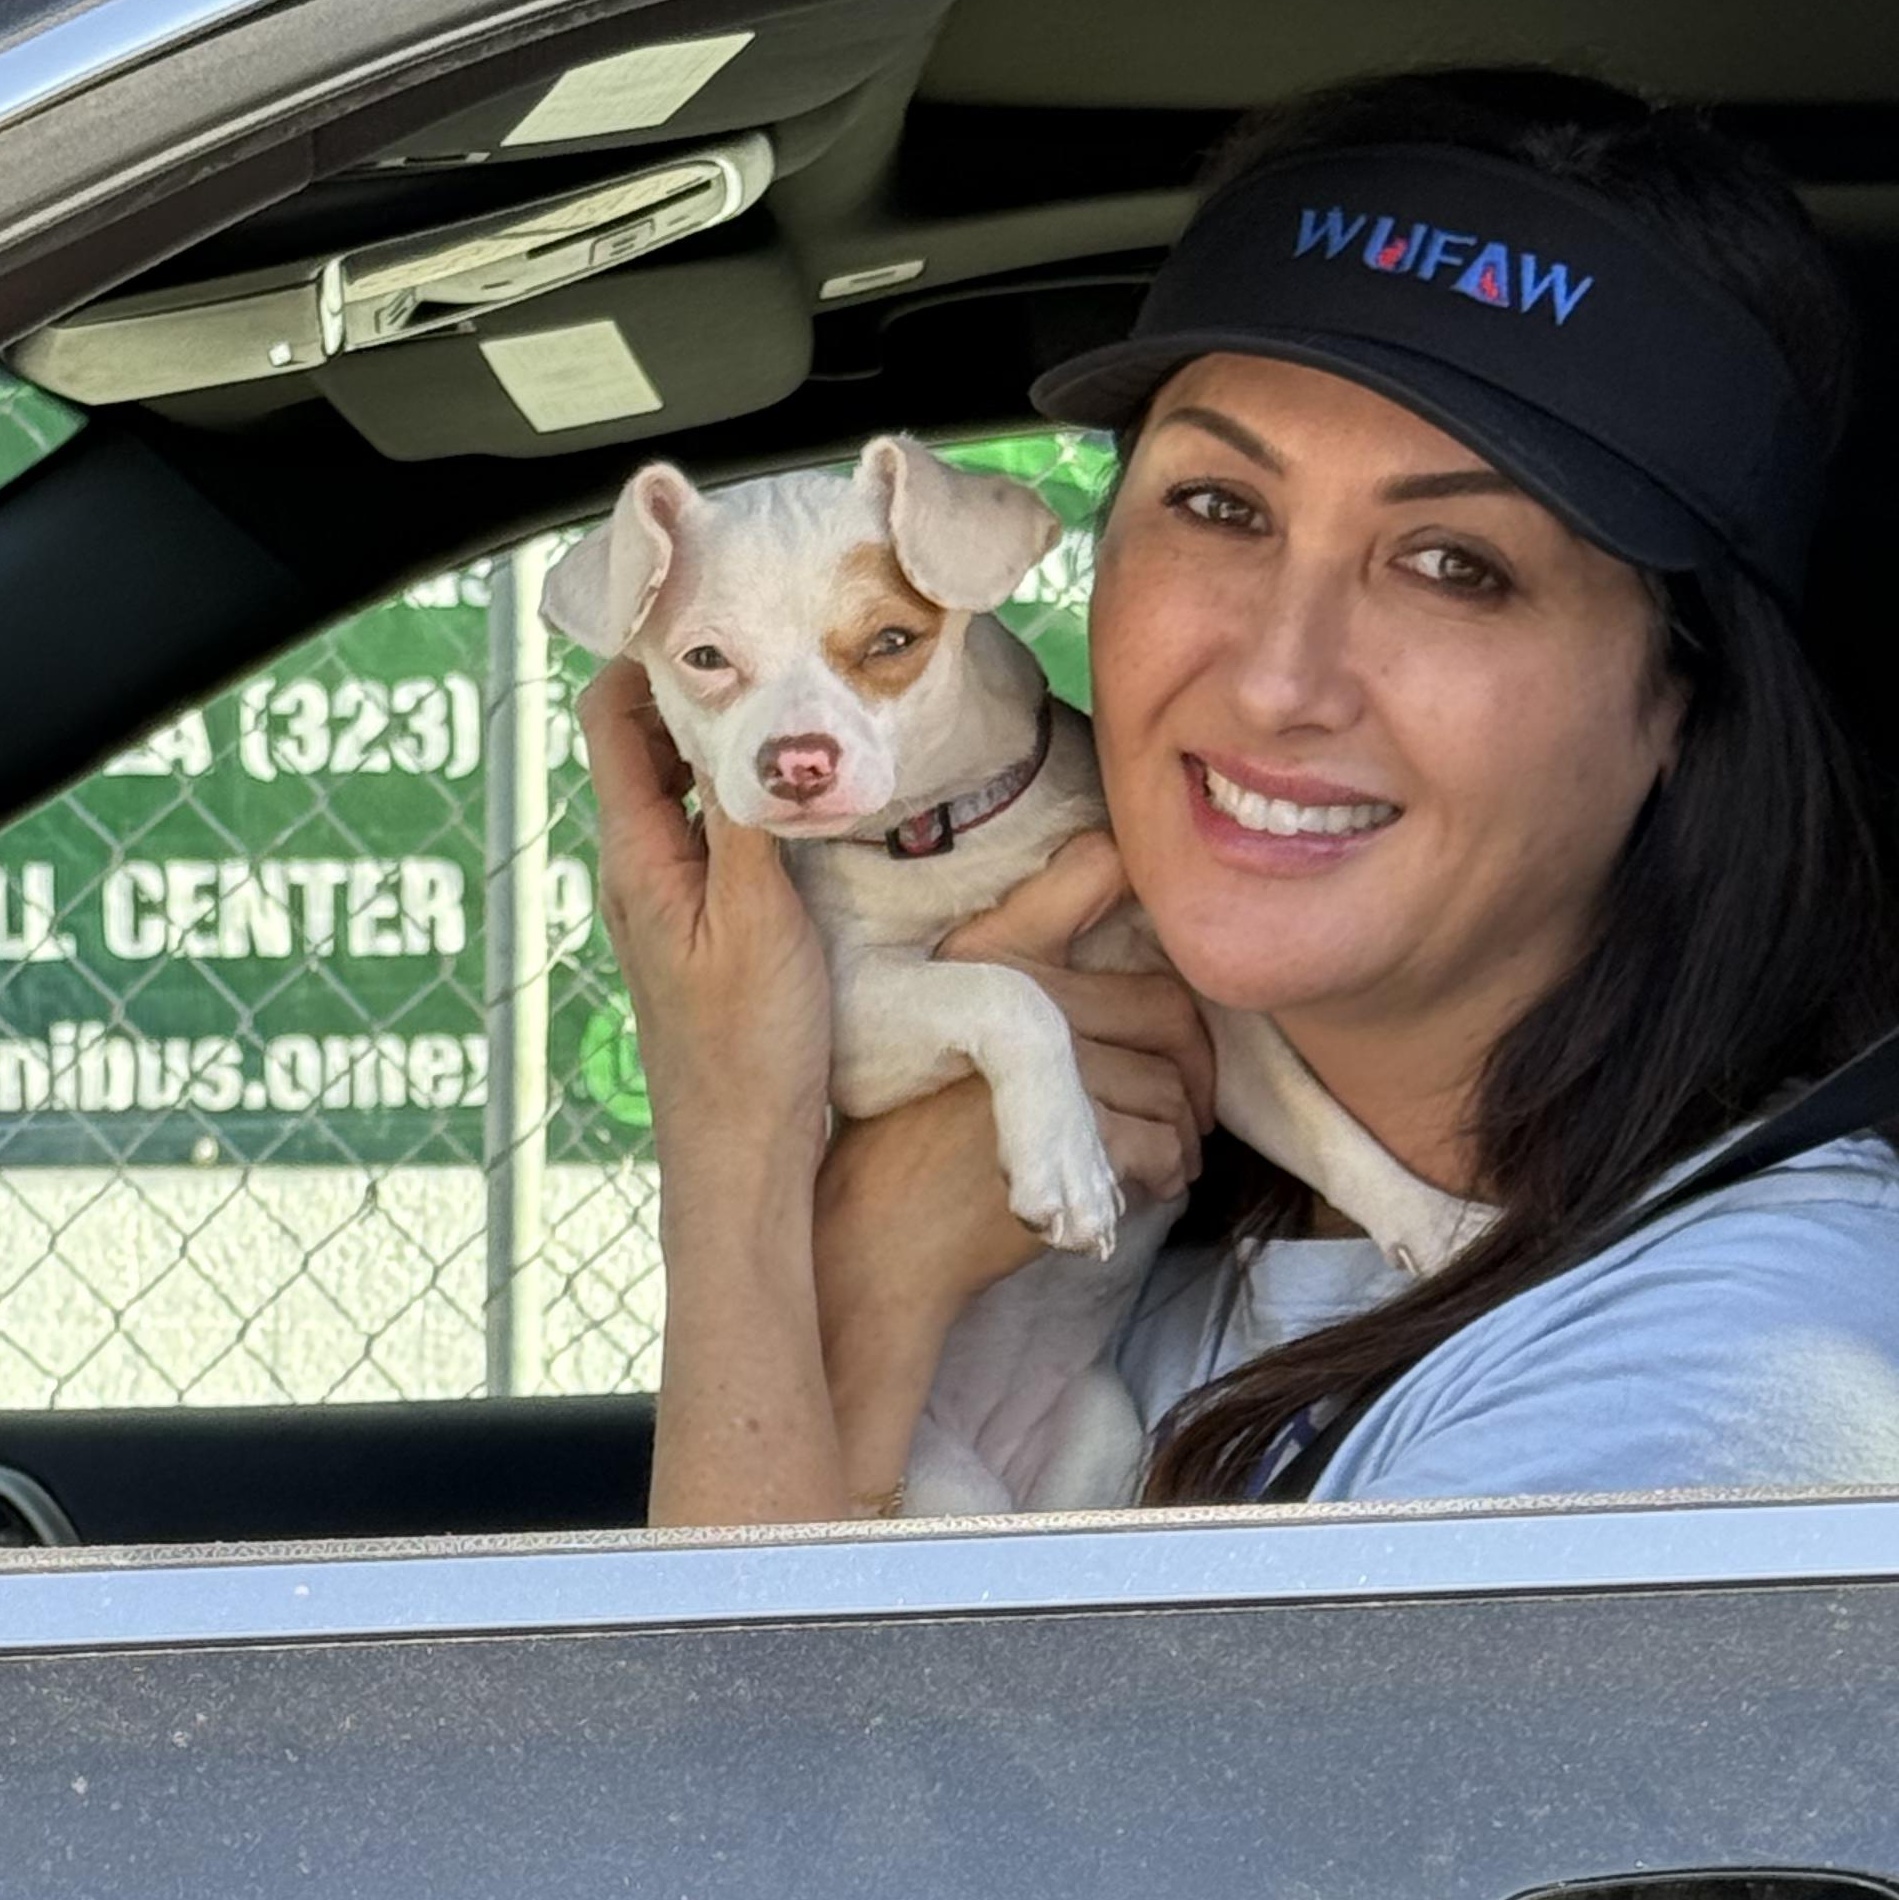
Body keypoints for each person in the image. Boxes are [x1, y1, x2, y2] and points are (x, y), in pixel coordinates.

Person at [578, 68, 1899, 1528]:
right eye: (1220, 508)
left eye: (1457, 565)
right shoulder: (1177, 1225)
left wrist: (744, 1178)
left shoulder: (1717, 1384)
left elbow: (731, 1760)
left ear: (1682, 701)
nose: (1278, 679)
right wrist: (874, 1262)